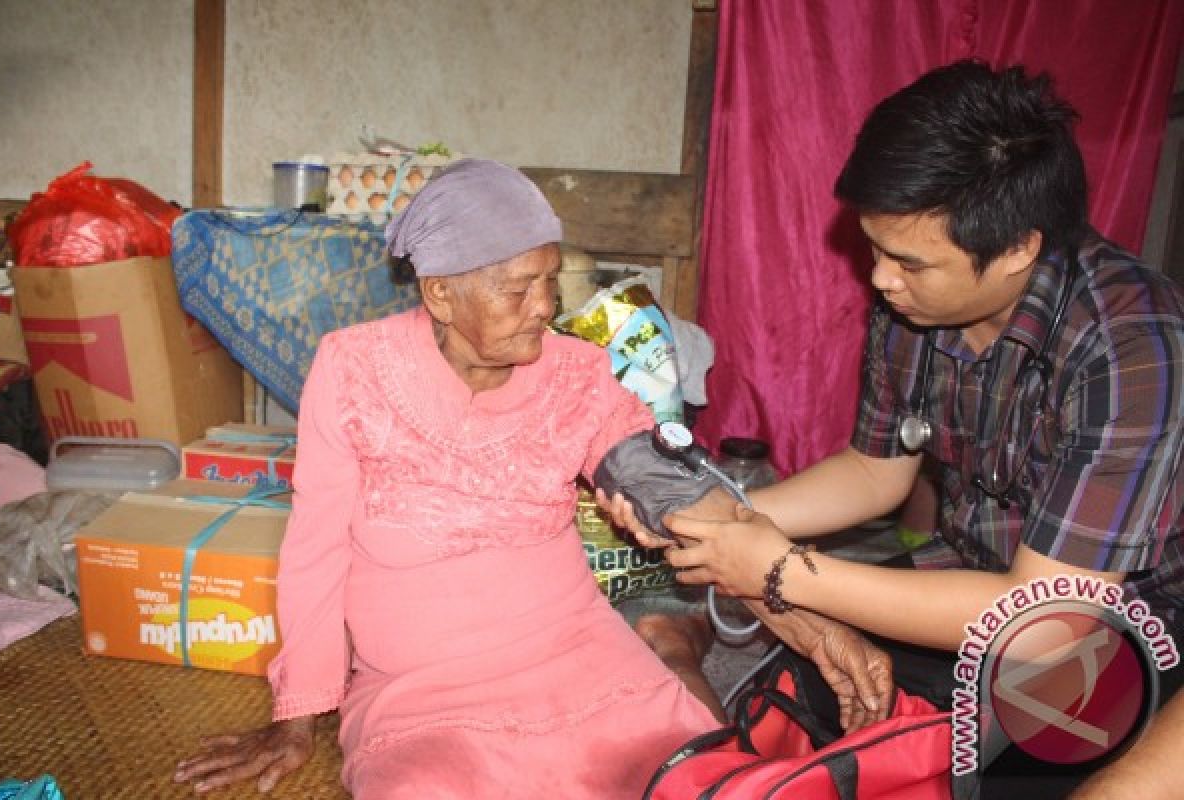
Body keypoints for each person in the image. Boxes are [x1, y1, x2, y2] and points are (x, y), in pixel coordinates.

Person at [172, 158, 890, 798]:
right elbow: (316, 549)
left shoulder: (573, 372)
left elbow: (670, 488)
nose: (545, 307)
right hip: (424, 691)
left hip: (577, 659)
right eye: (518, 289)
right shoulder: (351, 369)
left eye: (548, 281)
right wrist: (298, 718)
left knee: (690, 774)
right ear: (441, 293)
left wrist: (816, 628)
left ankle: (661, 680)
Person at [606, 59, 1184, 791]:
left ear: (1017, 249)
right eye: (875, 248)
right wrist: (718, 522)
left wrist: (783, 569)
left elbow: (1048, 614)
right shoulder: (920, 307)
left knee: (991, 772)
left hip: (1113, 630)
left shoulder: (1133, 345)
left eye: (908, 261)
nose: (880, 279)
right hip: (971, 573)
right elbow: (875, 471)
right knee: (810, 697)